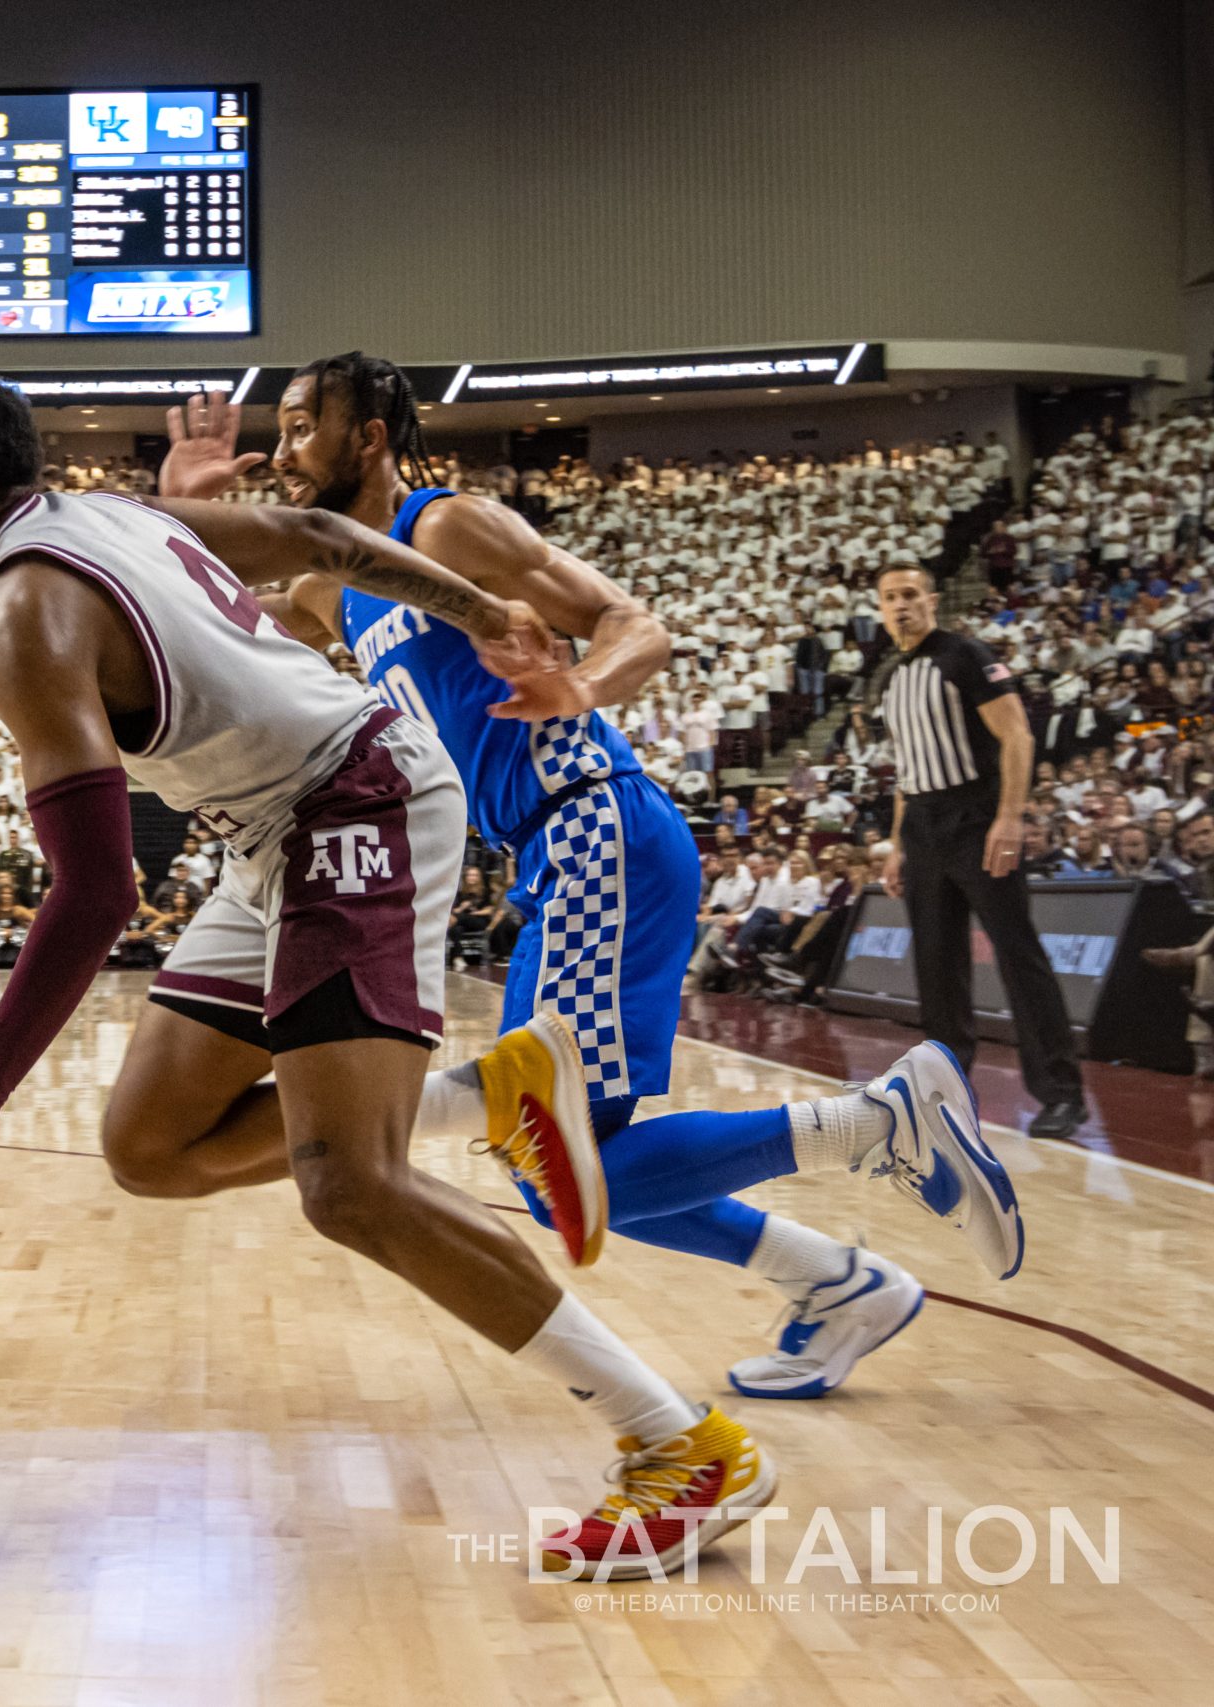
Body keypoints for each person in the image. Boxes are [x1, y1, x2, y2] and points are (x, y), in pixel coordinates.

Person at [0, 364, 769, 1582]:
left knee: (349, 1186)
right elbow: (319, 536)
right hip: (273, 827)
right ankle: (486, 1094)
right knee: (148, 1147)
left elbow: (97, 893)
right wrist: (476, 611)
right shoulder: (104, 515)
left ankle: (676, 1445)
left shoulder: (23, 620)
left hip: (354, 798)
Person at [161, 364, 1016, 1426]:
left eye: (299, 429)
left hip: (592, 821)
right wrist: (184, 506)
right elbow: (216, 618)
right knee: (571, 1165)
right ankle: (835, 1280)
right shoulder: (336, 586)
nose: (280, 452)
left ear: (369, 436)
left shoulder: (448, 527)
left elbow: (633, 623)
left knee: (549, 1157)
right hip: (555, 852)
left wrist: (583, 684)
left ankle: (877, 1125)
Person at [877, 564, 1089, 1139]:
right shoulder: (891, 677)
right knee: (937, 965)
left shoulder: (965, 655)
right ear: (879, 608)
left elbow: (1017, 734)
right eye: (890, 597)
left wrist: (1010, 817)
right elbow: (908, 769)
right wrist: (897, 844)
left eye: (911, 595)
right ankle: (944, 1090)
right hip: (922, 824)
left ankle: (1061, 1092)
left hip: (975, 818)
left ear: (932, 599)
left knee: (1017, 953)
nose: (902, 605)